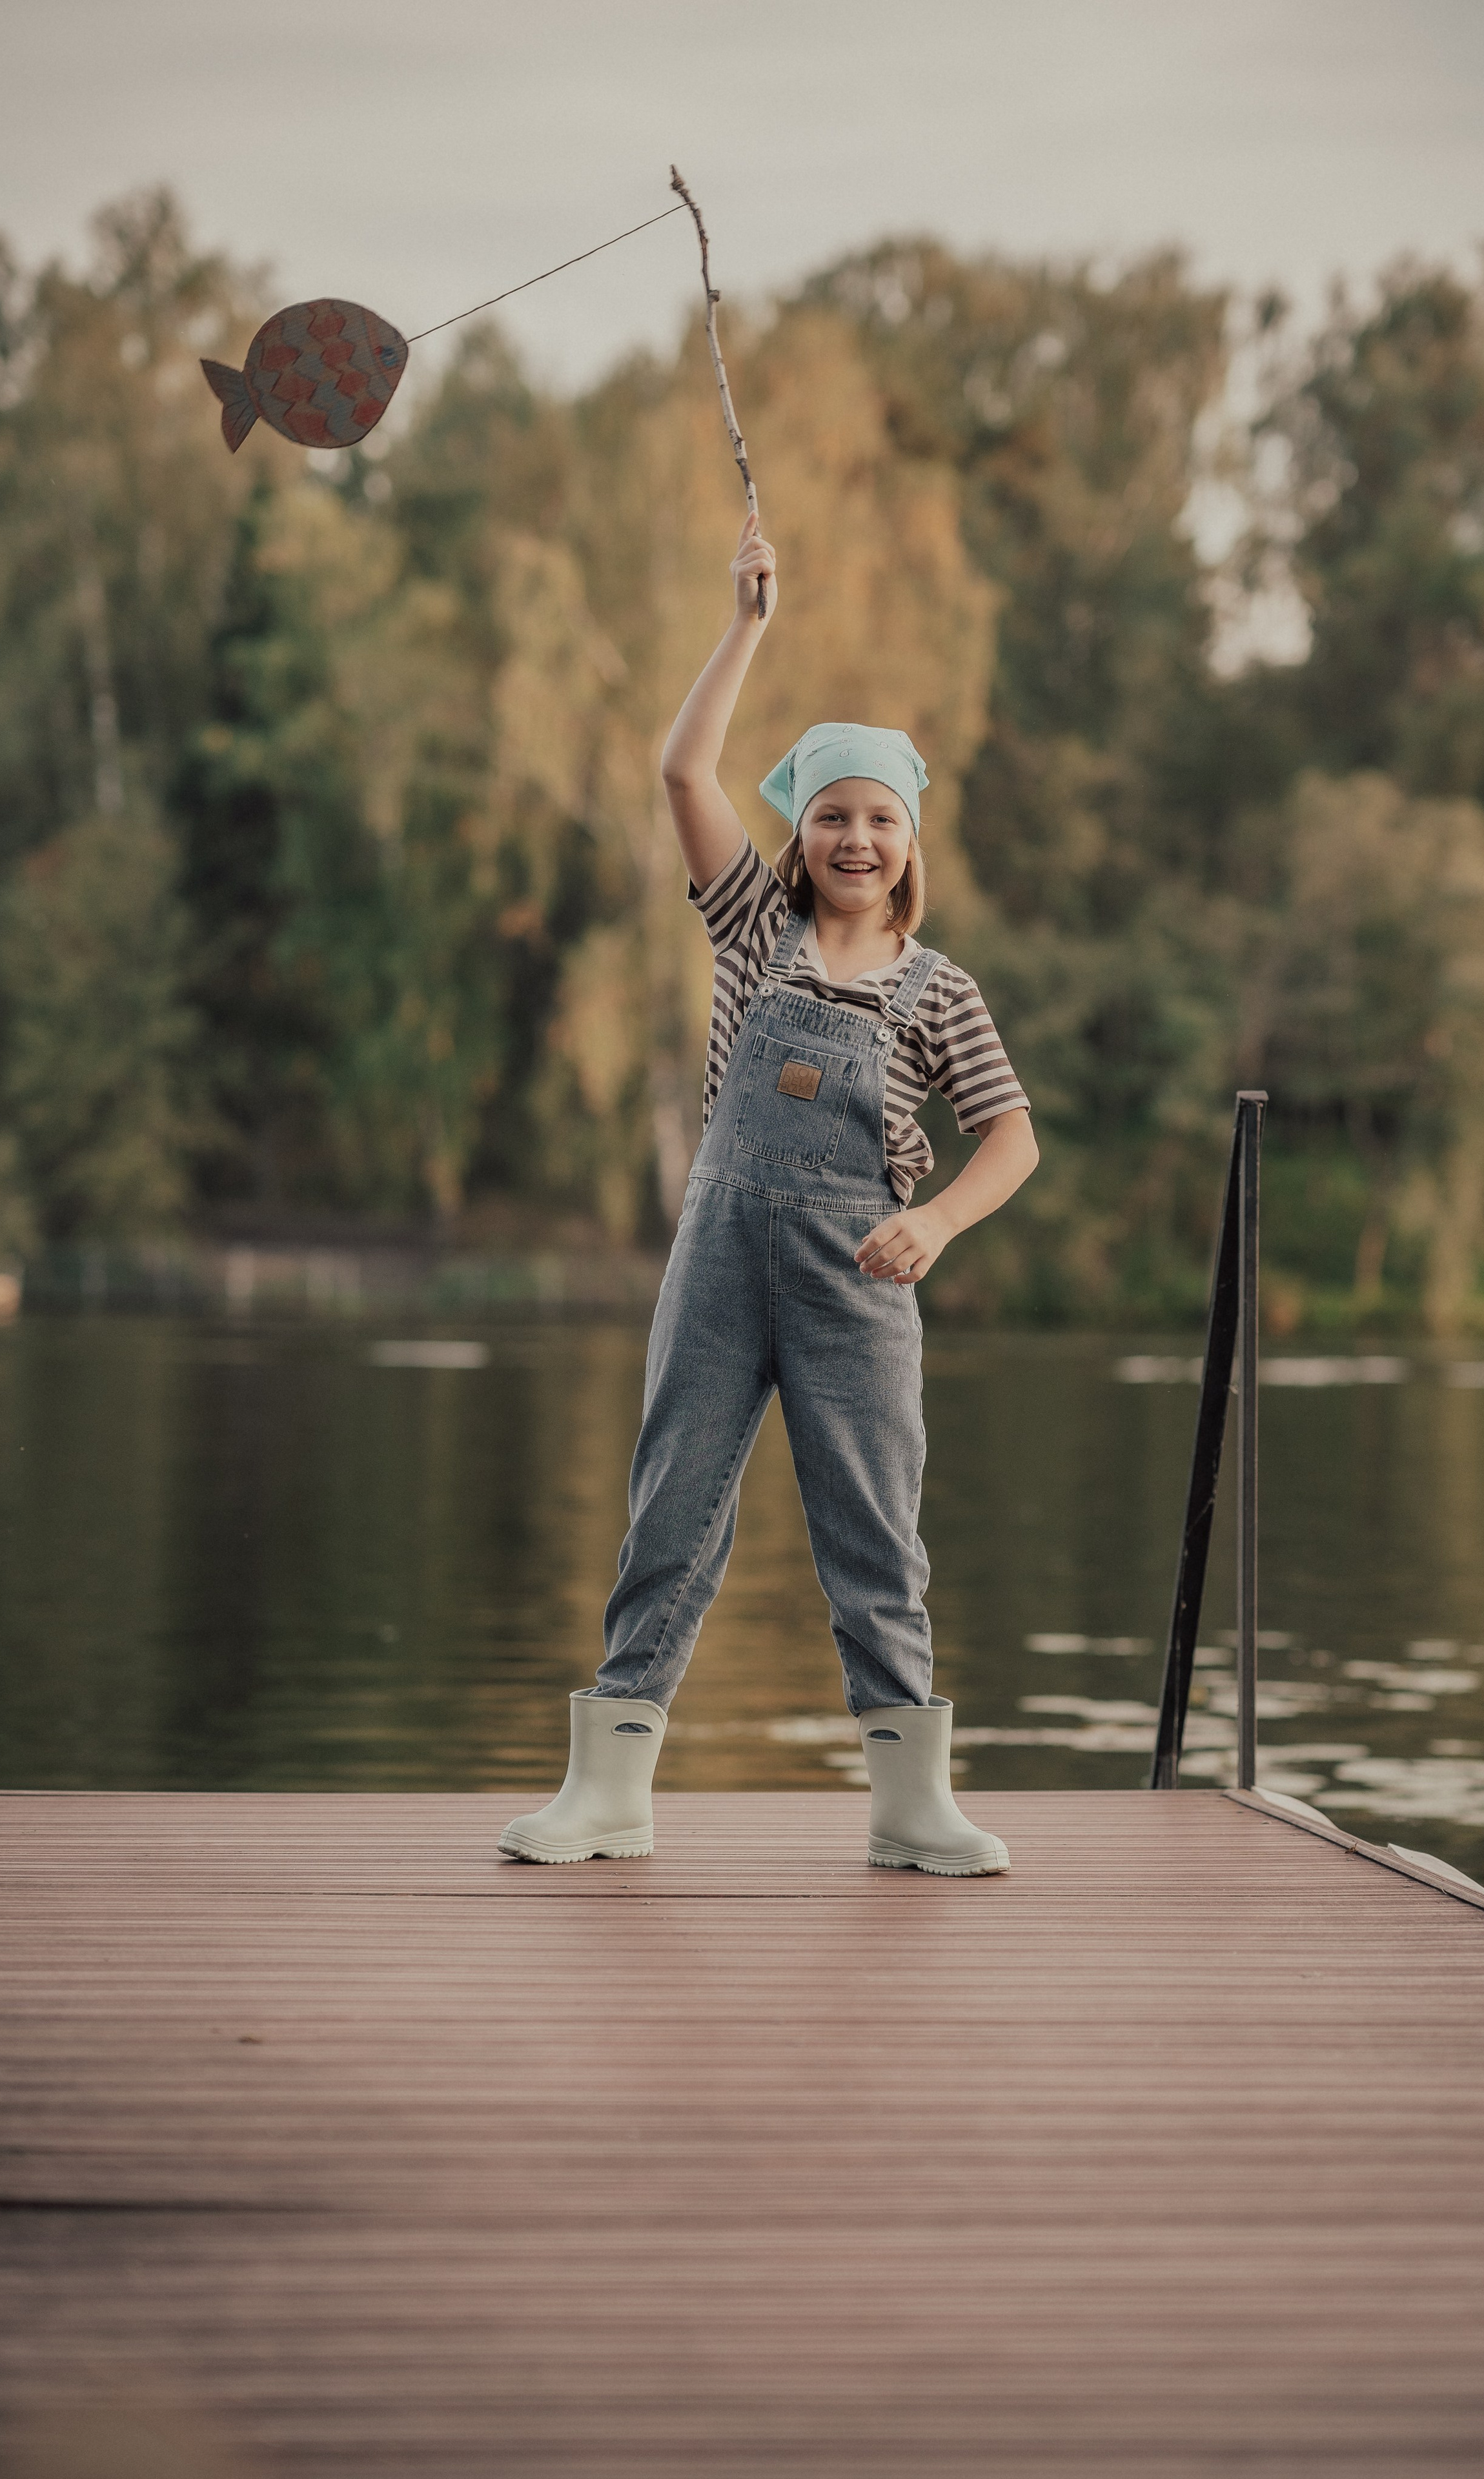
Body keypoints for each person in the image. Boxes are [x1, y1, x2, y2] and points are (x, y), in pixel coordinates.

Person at [499, 513, 1039, 1875]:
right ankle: (608, 1793)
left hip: (862, 1273)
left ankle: (911, 1806)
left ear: (910, 844)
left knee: (872, 1524)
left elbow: (1011, 1139)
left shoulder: (941, 991)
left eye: (879, 820)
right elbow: (681, 766)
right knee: (671, 1500)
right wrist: (747, 623)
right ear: (798, 838)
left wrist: (934, 1218)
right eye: (830, 817)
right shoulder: (751, 926)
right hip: (723, 1258)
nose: (855, 839)